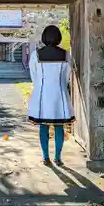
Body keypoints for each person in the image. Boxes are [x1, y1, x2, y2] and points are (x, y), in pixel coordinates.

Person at [28, 25, 74, 166]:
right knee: (59, 126)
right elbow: (67, 77)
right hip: (60, 95)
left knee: (43, 126)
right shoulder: (66, 55)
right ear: (58, 37)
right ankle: (58, 158)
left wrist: (41, 86)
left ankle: (46, 157)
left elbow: (34, 76)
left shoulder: (36, 55)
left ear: (44, 37)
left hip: (42, 95)